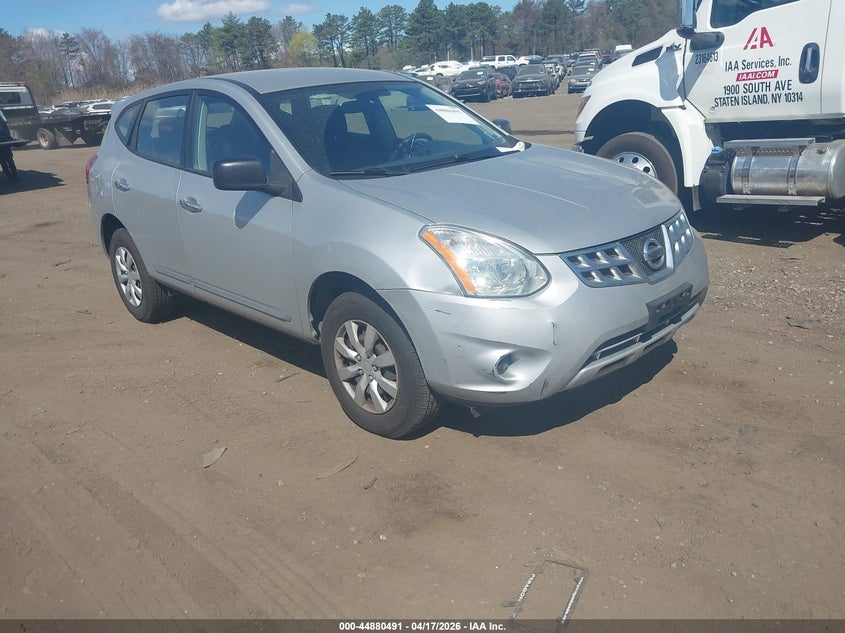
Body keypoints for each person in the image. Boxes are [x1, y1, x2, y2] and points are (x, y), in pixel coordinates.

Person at [0, 110, 20, 182]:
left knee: (3, 160)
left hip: (3, 139)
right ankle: (14, 175)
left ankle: (10, 177)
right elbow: (5, 124)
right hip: (5, 139)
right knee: (8, 159)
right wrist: (9, 138)